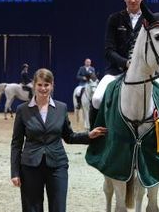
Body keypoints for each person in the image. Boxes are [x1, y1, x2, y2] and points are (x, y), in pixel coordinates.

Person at [10, 68, 107, 212]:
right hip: (30, 167)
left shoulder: (61, 108)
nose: (43, 88)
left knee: (59, 208)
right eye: (40, 84)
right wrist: (15, 172)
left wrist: (88, 135)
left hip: (57, 166)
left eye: (46, 85)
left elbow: (69, 137)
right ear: (34, 85)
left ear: (52, 85)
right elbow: (16, 144)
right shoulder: (22, 110)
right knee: (32, 209)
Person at [91, 0, 159, 126]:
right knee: (97, 98)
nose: (132, 0)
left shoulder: (152, 19)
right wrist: (126, 63)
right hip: (116, 71)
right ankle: (95, 140)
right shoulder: (114, 19)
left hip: (148, 73)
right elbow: (108, 51)